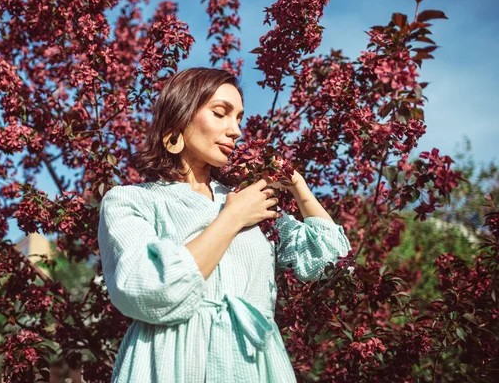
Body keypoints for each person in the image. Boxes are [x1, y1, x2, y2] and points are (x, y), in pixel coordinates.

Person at [97, 67, 351, 382]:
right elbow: (146, 289)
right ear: (180, 118)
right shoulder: (132, 202)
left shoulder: (247, 200)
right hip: (171, 363)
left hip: (253, 365)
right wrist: (231, 219)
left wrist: (299, 188)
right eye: (221, 114)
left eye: (240, 119)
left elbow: (331, 261)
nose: (236, 131)